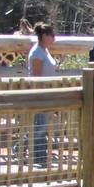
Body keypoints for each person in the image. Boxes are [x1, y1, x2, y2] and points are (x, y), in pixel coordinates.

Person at [27, 21, 57, 166]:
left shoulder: (44, 50)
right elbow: (37, 76)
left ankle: (39, 155)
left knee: (42, 125)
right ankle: (20, 146)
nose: (54, 38)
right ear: (44, 36)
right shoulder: (37, 52)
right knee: (41, 126)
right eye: (51, 35)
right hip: (39, 93)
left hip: (47, 93)